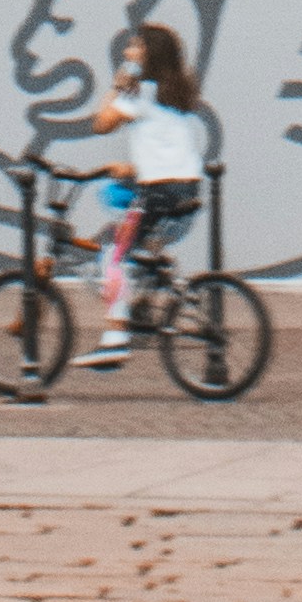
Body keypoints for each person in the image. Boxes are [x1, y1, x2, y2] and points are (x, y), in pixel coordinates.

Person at [80, 22, 208, 369]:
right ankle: (146, 300)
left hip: (159, 193)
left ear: (148, 55)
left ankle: (114, 339)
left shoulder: (140, 93)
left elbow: (101, 123)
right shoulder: (172, 96)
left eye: (134, 48)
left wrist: (119, 82)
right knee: (134, 240)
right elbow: (166, 149)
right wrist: (132, 169)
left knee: (112, 255)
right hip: (185, 191)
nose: (127, 52)